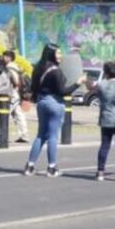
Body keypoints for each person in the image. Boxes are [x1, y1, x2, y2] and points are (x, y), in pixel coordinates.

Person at [23, 43, 84, 178]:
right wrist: (78, 83)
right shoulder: (56, 71)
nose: (61, 56)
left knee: (40, 135)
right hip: (54, 103)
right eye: (58, 53)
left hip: (41, 102)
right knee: (52, 136)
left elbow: (34, 88)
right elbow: (63, 91)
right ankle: (52, 167)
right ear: (52, 54)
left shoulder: (38, 68)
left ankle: (30, 165)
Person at [3, 50, 30, 143]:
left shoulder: (9, 67)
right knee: (18, 114)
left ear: (9, 58)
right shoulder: (16, 66)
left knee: (4, 113)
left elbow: (15, 82)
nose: (4, 58)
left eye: (5, 56)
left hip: (13, 95)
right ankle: (24, 134)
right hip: (17, 94)